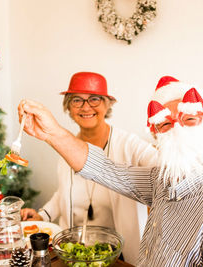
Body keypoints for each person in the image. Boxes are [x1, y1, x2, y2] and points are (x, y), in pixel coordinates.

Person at [18, 75, 203, 266]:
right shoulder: (163, 181)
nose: (176, 130)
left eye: (189, 119)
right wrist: (50, 133)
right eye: (164, 123)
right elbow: (103, 168)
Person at [20, 72, 157, 264]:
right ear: (68, 106)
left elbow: (163, 169)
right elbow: (62, 192)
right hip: (73, 251)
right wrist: (42, 214)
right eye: (77, 100)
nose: (86, 107)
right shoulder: (67, 145)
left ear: (108, 104)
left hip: (119, 256)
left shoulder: (130, 144)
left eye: (94, 99)